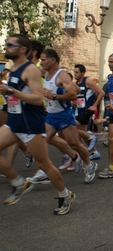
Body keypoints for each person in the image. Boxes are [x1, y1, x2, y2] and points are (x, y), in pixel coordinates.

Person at [0, 34, 74, 214]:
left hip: (30, 124)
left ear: (22, 49)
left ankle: (65, 194)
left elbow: (38, 98)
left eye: (10, 45)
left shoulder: (30, 69)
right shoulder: (13, 68)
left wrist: (11, 91)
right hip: (14, 121)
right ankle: (18, 182)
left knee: (44, 165)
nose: (6, 47)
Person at [41, 48, 98, 183]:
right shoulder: (45, 73)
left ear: (52, 60)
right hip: (50, 115)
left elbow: (73, 94)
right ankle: (70, 158)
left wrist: (53, 96)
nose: (41, 62)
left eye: (43, 60)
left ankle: (89, 165)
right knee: (44, 139)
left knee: (75, 143)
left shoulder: (62, 75)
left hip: (63, 115)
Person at [73, 64, 104, 160]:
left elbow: (101, 92)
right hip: (78, 110)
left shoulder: (87, 81)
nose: (75, 74)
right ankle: (94, 152)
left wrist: (94, 105)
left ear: (83, 73)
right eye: (74, 72)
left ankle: (91, 139)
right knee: (81, 133)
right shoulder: (75, 84)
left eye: (77, 72)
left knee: (71, 128)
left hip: (86, 110)